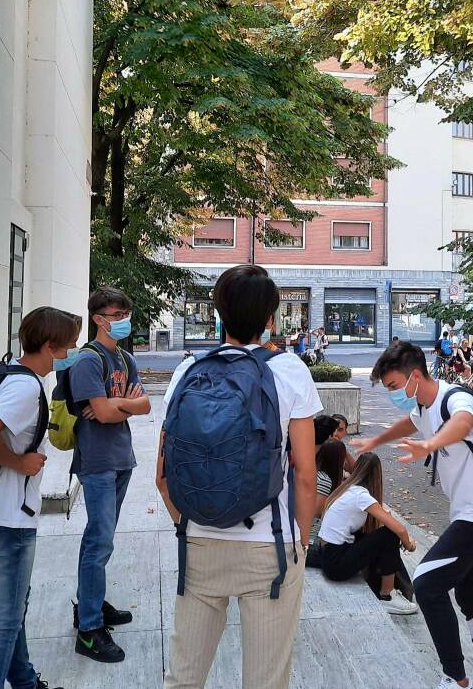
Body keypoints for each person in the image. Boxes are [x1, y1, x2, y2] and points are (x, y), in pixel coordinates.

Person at [158, 264, 320, 689]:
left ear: (218, 313)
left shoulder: (187, 370)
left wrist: (189, 522)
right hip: (270, 548)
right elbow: (305, 473)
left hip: (199, 543)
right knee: (265, 681)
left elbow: (163, 473)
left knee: (183, 677)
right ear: (270, 320)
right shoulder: (290, 371)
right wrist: (300, 543)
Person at [353, 341, 473, 689]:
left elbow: (463, 422)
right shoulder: (424, 407)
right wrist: (375, 441)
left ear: (414, 376)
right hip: (472, 513)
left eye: (394, 386)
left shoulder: (455, 399)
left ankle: (455, 677)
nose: (394, 393)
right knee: (471, 597)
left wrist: (431, 445)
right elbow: (409, 423)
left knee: (426, 583)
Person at [0, 307, 80, 689]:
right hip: (6, 521)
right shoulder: (25, 387)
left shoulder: (15, 375)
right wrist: (20, 462)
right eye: (68, 347)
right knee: (3, 623)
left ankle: (26, 682)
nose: (70, 354)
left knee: (14, 610)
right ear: (49, 346)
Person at [69, 288, 151, 662]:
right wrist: (122, 405)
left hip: (122, 459)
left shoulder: (124, 357)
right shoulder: (88, 361)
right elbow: (100, 415)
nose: (123, 321)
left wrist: (115, 403)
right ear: (99, 319)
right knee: (99, 541)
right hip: (98, 462)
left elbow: (145, 404)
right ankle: (88, 629)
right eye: (117, 314)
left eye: (126, 314)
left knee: (101, 539)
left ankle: (92, 602)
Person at [318, 453, 419, 614]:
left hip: (328, 555)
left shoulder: (347, 489)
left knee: (383, 534)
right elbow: (398, 528)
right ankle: (388, 595)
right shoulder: (361, 496)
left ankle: (387, 587)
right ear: (376, 476)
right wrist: (409, 543)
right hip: (336, 564)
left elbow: (383, 519)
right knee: (389, 534)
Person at [307, 439, 348, 567]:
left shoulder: (316, 473)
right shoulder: (325, 480)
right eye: (344, 457)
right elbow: (316, 513)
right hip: (311, 543)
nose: (345, 461)